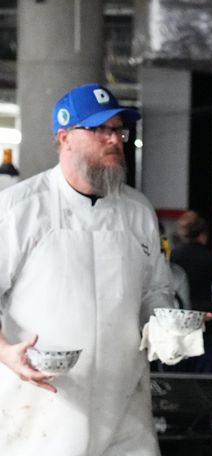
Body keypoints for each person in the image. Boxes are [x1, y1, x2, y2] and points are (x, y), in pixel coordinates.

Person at [0, 83, 174, 455]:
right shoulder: (19, 208)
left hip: (124, 405)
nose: (114, 140)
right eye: (99, 130)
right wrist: (4, 351)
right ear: (64, 138)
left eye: (118, 130)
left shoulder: (137, 210)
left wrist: (167, 325)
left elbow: (155, 289)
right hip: (41, 407)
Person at [170, 210, 212, 372]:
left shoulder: (175, 255)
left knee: (181, 352)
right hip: (205, 314)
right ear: (203, 234)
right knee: (204, 350)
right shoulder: (209, 256)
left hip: (181, 312)